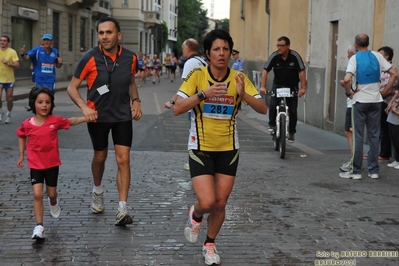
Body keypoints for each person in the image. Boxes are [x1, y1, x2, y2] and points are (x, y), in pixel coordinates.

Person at [173, 29, 267, 265]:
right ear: (208, 53)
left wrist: (244, 95)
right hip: (200, 147)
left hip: (228, 149)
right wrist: (203, 94)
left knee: (220, 203)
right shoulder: (196, 75)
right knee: (206, 202)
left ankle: (210, 244)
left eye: (226, 49)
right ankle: (194, 216)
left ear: (231, 53)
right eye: (216, 49)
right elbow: (178, 107)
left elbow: (263, 109)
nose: (222, 53)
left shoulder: (239, 78)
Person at [67, 16, 142, 225]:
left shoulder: (130, 58)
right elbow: (72, 88)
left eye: (109, 33)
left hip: (122, 116)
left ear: (118, 35)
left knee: (123, 159)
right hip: (97, 117)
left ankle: (122, 208)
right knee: (100, 157)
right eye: (101, 33)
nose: (104, 37)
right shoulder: (89, 58)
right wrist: (84, 108)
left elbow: (131, 82)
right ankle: (97, 190)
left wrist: (136, 101)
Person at [16, 87, 87, 240]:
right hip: (35, 165)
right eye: (40, 102)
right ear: (33, 104)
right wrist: (21, 154)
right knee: (37, 194)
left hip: (52, 164)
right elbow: (21, 135)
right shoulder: (27, 124)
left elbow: (71, 121)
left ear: (51, 104)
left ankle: (53, 201)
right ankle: (39, 226)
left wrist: (85, 117)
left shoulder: (55, 121)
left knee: (51, 193)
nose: (44, 105)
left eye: (47, 102)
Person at [339, 34, 398, 180]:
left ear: (356, 44)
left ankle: (356, 171)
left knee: (358, 136)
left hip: (359, 101)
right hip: (376, 100)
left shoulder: (355, 58)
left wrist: (349, 93)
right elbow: (394, 74)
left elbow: (347, 79)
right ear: (368, 43)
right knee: (374, 135)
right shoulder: (377, 56)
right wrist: (385, 91)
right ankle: (374, 170)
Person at [164, 38, 207, 171]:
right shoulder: (203, 61)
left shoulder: (190, 63)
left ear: (187, 49)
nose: (182, 51)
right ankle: (204, 160)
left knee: (194, 134)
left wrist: (173, 101)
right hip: (205, 102)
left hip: (193, 103)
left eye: (183, 48)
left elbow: (186, 87)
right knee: (202, 133)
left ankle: (194, 162)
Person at [259, 36, 307, 142]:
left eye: (282, 45)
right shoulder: (274, 56)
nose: (279, 48)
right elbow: (265, 70)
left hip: (292, 87)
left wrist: (303, 88)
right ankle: (272, 125)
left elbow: (302, 71)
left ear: (288, 46)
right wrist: (263, 86)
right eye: (278, 45)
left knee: (293, 110)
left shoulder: (295, 56)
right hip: (278, 85)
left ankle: (291, 132)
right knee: (272, 105)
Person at [339, 45, 357, 172]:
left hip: (353, 102)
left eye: (348, 53)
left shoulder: (354, 63)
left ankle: (354, 161)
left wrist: (347, 90)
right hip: (362, 101)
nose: (347, 56)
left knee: (350, 132)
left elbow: (347, 80)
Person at [0, 35, 20, 124]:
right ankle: (1, 112)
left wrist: (8, 63)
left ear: (8, 42)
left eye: (4, 41)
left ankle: (8, 113)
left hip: (9, 79)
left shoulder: (12, 52)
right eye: (1, 40)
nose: (2, 42)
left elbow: (17, 65)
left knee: (9, 99)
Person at [386, 90, 399, 169]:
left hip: (397, 120)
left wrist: (395, 110)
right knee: (394, 141)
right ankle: (397, 159)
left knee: (397, 141)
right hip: (392, 119)